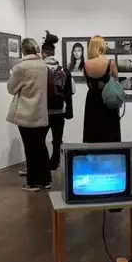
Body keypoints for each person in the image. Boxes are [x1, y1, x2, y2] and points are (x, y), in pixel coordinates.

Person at [7, 38, 51, 192]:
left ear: (23, 50)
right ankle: (45, 180)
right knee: (40, 146)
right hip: (41, 111)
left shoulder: (21, 67)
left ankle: (32, 182)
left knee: (30, 148)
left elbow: (11, 88)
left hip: (26, 112)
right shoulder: (43, 65)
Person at [42, 30, 74, 170]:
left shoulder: (39, 69)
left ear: (43, 53)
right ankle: (55, 162)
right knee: (57, 139)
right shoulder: (64, 71)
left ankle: (41, 164)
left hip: (42, 111)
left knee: (39, 139)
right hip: (59, 111)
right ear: (53, 53)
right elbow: (72, 90)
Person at [83, 35, 121, 143]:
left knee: (92, 132)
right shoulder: (110, 63)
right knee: (109, 133)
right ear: (102, 46)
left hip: (92, 101)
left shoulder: (86, 64)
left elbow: (88, 84)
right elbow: (116, 84)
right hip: (108, 101)